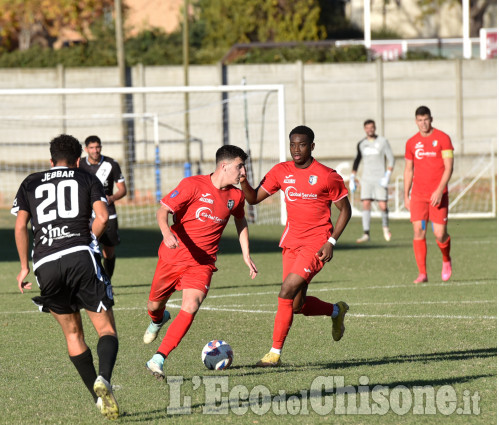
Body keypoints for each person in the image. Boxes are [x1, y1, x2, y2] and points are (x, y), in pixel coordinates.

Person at [12, 135, 119, 420]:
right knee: (106, 329)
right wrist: (90, 241)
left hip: (45, 263)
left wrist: (24, 266)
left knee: (73, 334)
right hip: (79, 256)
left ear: (50, 161)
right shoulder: (86, 178)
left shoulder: (30, 182)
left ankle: (97, 400)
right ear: (77, 160)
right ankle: (104, 378)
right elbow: (103, 217)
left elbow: (21, 225)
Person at [241, 125, 352, 367]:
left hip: (316, 244)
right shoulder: (281, 171)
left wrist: (331, 241)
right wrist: (243, 181)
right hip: (291, 243)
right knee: (297, 305)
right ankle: (336, 311)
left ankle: (274, 354)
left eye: (301, 144)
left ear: (312, 146)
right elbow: (253, 198)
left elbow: (346, 210)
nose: (296, 149)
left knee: (286, 290)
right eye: (292, 144)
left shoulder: (327, 175)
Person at [144, 145, 258, 379]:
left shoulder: (235, 196)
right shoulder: (192, 185)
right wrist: (167, 233)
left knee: (191, 305)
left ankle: (158, 359)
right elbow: (162, 210)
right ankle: (158, 319)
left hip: (202, 263)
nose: (242, 171)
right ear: (224, 166)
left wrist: (246, 254)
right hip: (172, 257)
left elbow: (240, 221)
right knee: (154, 306)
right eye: (239, 166)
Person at [404, 106, 454, 284]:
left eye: (426, 119)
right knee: (418, 230)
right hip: (418, 195)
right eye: (419, 120)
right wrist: (406, 195)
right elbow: (408, 170)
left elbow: (449, 167)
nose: (423, 123)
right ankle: (422, 274)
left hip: (438, 194)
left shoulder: (443, 138)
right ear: (416, 121)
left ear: (431, 119)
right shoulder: (411, 142)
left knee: (440, 234)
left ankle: (446, 259)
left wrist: (440, 189)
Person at [78, 135, 126, 279]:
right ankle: (91, 280)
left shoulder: (111, 164)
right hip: (86, 214)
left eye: (97, 147)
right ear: (86, 149)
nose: (95, 150)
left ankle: (107, 281)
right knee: (87, 248)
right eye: (92, 148)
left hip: (108, 213)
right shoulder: (80, 165)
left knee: (109, 252)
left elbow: (123, 189)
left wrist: (112, 198)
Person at [350, 119, 395, 243]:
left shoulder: (383, 142)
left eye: (372, 127)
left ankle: (386, 228)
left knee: (383, 205)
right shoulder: (361, 144)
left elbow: (391, 159)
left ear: (375, 128)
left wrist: (388, 175)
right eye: (367, 128)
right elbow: (357, 160)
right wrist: (352, 177)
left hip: (380, 178)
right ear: (365, 129)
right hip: (366, 179)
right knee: (366, 203)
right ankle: (366, 233)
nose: (370, 130)